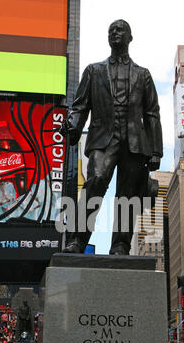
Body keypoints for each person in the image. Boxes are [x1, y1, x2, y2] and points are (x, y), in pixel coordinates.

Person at [61, 19, 163, 255]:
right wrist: (73, 126)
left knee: (127, 195)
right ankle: (77, 239)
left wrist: (156, 150)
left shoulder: (143, 74)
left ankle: (120, 244)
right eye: (111, 31)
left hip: (135, 143)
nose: (115, 33)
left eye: (120, 30)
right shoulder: (93, 71)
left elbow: (152, 114)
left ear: (130, 37)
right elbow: (79, 107)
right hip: (103, 138)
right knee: (95, 181)